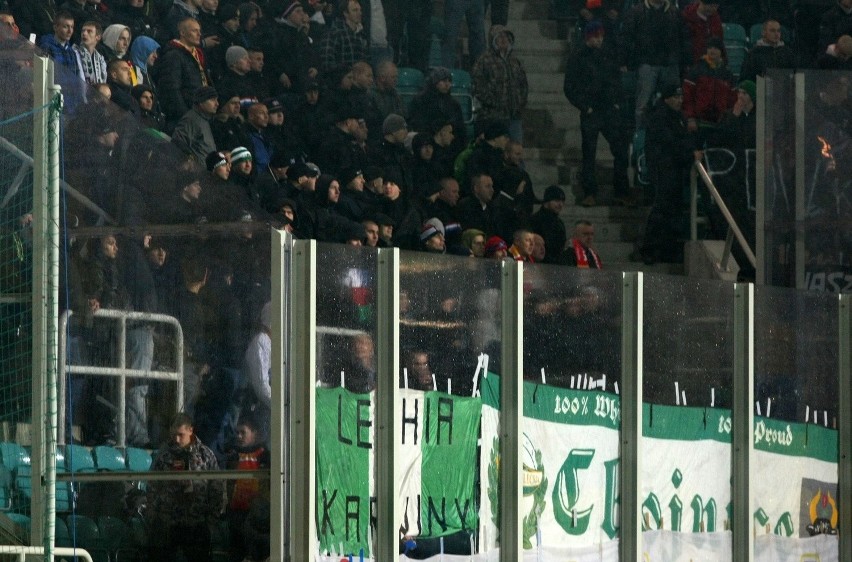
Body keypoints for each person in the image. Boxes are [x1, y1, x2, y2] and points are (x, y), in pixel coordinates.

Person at [563, 21, 630, 207]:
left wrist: (616, 102)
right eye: (596, 36)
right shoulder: (578, 56)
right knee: (589, 153)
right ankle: (590, 192)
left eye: (601, 36)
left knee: (620, 150)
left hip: (608, 109)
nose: (599, 40)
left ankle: (621, 191)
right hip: (592, 111)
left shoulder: (607, 54)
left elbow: (616, 80)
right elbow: (569, 87)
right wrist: (585, 107)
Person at [636, 84, 703, 264]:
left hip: (673, 170)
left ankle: (665, 250)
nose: (679, 100)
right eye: (676, 97)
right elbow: (670, 143)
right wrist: (690, 154)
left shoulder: (675, 117)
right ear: (667, 98)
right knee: (662, 209)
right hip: (663, 170)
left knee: (671, 211)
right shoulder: (660, 117)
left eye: (681, 97)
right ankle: (650, 249)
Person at [148, 413, 226, 562]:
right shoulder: (163, 456)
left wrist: (211, 520)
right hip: (168, 523)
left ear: (191, 430)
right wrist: (154, 516)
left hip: (197, 523)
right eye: (173, 435)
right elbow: (152, 485)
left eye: (180, 435)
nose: (176, 440)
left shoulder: (205, 455)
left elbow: (217, 488)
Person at [620, 0, 687, 127]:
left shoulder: (675, 13)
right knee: (642, 104)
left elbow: (683, 38)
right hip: (647, 63)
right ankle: (641, 135)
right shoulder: (636, 13)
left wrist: (683, 61)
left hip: (670, 64)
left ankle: (674, 131)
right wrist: (624, 60)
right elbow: (626, 38)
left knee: (675, 101)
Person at [225, 414, 270, 562]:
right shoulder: (233, 455)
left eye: (243, 432)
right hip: (236, 513)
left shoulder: (263, 455)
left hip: (257, 517)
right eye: (237, 432)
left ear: (254, 433)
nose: (239, 436)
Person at [471, 25, 528, 142]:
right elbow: (477, 86)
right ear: (493, 40)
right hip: (493, 117)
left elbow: (524, 85)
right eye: (499, 36)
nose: (503, 39)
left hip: (514, 116)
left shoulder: (515, 62)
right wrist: (494, 103)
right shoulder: (484, 60)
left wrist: (520, 104)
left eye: (506, 36)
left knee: (515, 152)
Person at [154, 17, 212, 129]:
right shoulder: (174, 55)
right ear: (182, 33)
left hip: (200, 115)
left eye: (199, 31)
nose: (199, 34)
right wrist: (186, 116)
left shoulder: (198, 55)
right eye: (194, 31)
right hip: (183, 119)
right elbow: (171, 89)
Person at [171, 85, 219, 162]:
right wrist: (190, 160)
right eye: (213, 100)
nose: (217, 103)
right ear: (201, 102)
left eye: (217, 100)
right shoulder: (191, 119)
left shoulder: (204, 120)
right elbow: (178, 141)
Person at [318, 0, 368, 72]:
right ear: (345, 13)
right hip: (340, 78)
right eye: (355, 10)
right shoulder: (334, 32)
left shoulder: (362, 34)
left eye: (360, 10)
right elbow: (327, 62)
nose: (359, 13)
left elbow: (366, 60)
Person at [530, 185, 567, 264]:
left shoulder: (559, 223)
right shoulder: (535, 220)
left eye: (562, 201)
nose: (560, 204)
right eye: (557, 201)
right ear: (546, 202)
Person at [681, 1, 724, 68]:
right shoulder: (686, 17)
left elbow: (719, 43)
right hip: (690, 64)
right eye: (711, 6)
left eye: (716, 6)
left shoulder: (716, 19)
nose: (713, 9)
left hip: (711, 66)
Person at [73, 20, 108, 85]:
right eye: (83, 31)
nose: (84, 33)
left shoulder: (101, 60)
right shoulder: (73, 53)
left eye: (89, 31)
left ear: (98, 37)